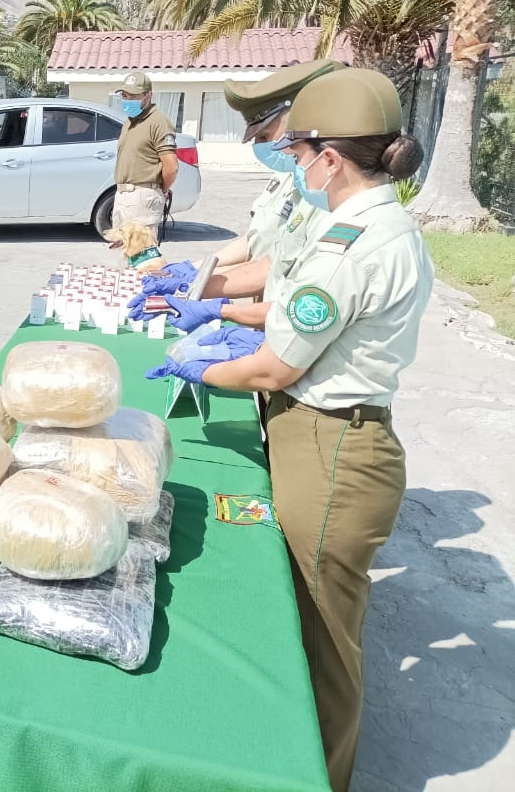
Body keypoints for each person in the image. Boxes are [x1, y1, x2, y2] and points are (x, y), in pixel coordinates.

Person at [145, 67, 433, 792]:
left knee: (325, 646)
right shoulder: (372, 224)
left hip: (334, 444)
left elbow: (275, 368)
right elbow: (282, 297)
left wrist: (196, 368)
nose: (296, 166)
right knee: (308, 624)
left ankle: (320, 778)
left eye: (300, 154)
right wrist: (213, 301)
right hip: (328, 430)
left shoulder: (353, 246)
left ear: (330, 157)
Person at [129, 59, 345, 333]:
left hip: (291, 326)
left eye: (266, 134)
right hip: (272, 317)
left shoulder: (328, 195)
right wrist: (195, 271)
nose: (262, 146)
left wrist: (207, 296)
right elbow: (259, 245)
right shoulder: (294, 174)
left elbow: (282, 276)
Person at [110, 70, 177, 240]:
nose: (127, 100)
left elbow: (171, 167)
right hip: (123, 195)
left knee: (141, 258)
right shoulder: (129, 122)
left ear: (148, 96)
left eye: (133, 96)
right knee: (124, 255)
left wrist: (161, 189)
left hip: (142, 196)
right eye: (124, 95)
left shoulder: (158, 122)